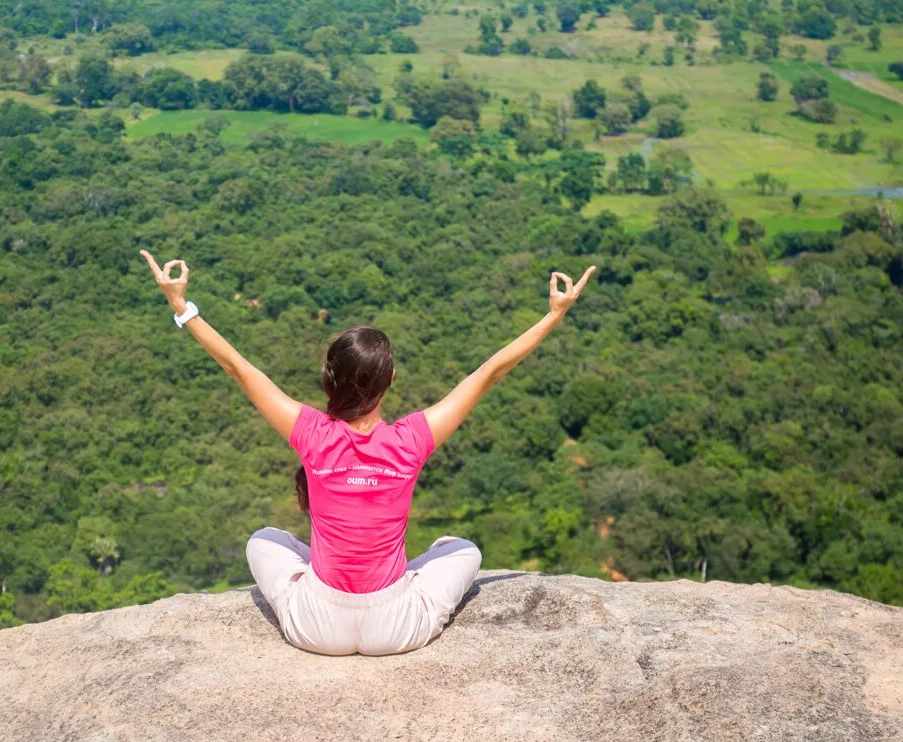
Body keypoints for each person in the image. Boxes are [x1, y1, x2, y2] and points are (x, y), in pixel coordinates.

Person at [140, 249, 595, 656]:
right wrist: (554, 316)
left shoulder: (311, 433)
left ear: (328, 381)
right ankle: (402, 580)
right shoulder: (411, 438)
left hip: (316, 628)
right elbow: (489, 372)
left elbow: (238, 368)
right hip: (396, 628)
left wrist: (182, 307)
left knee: (263, 540)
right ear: (391, 380)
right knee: (460, 550)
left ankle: (325, 581)